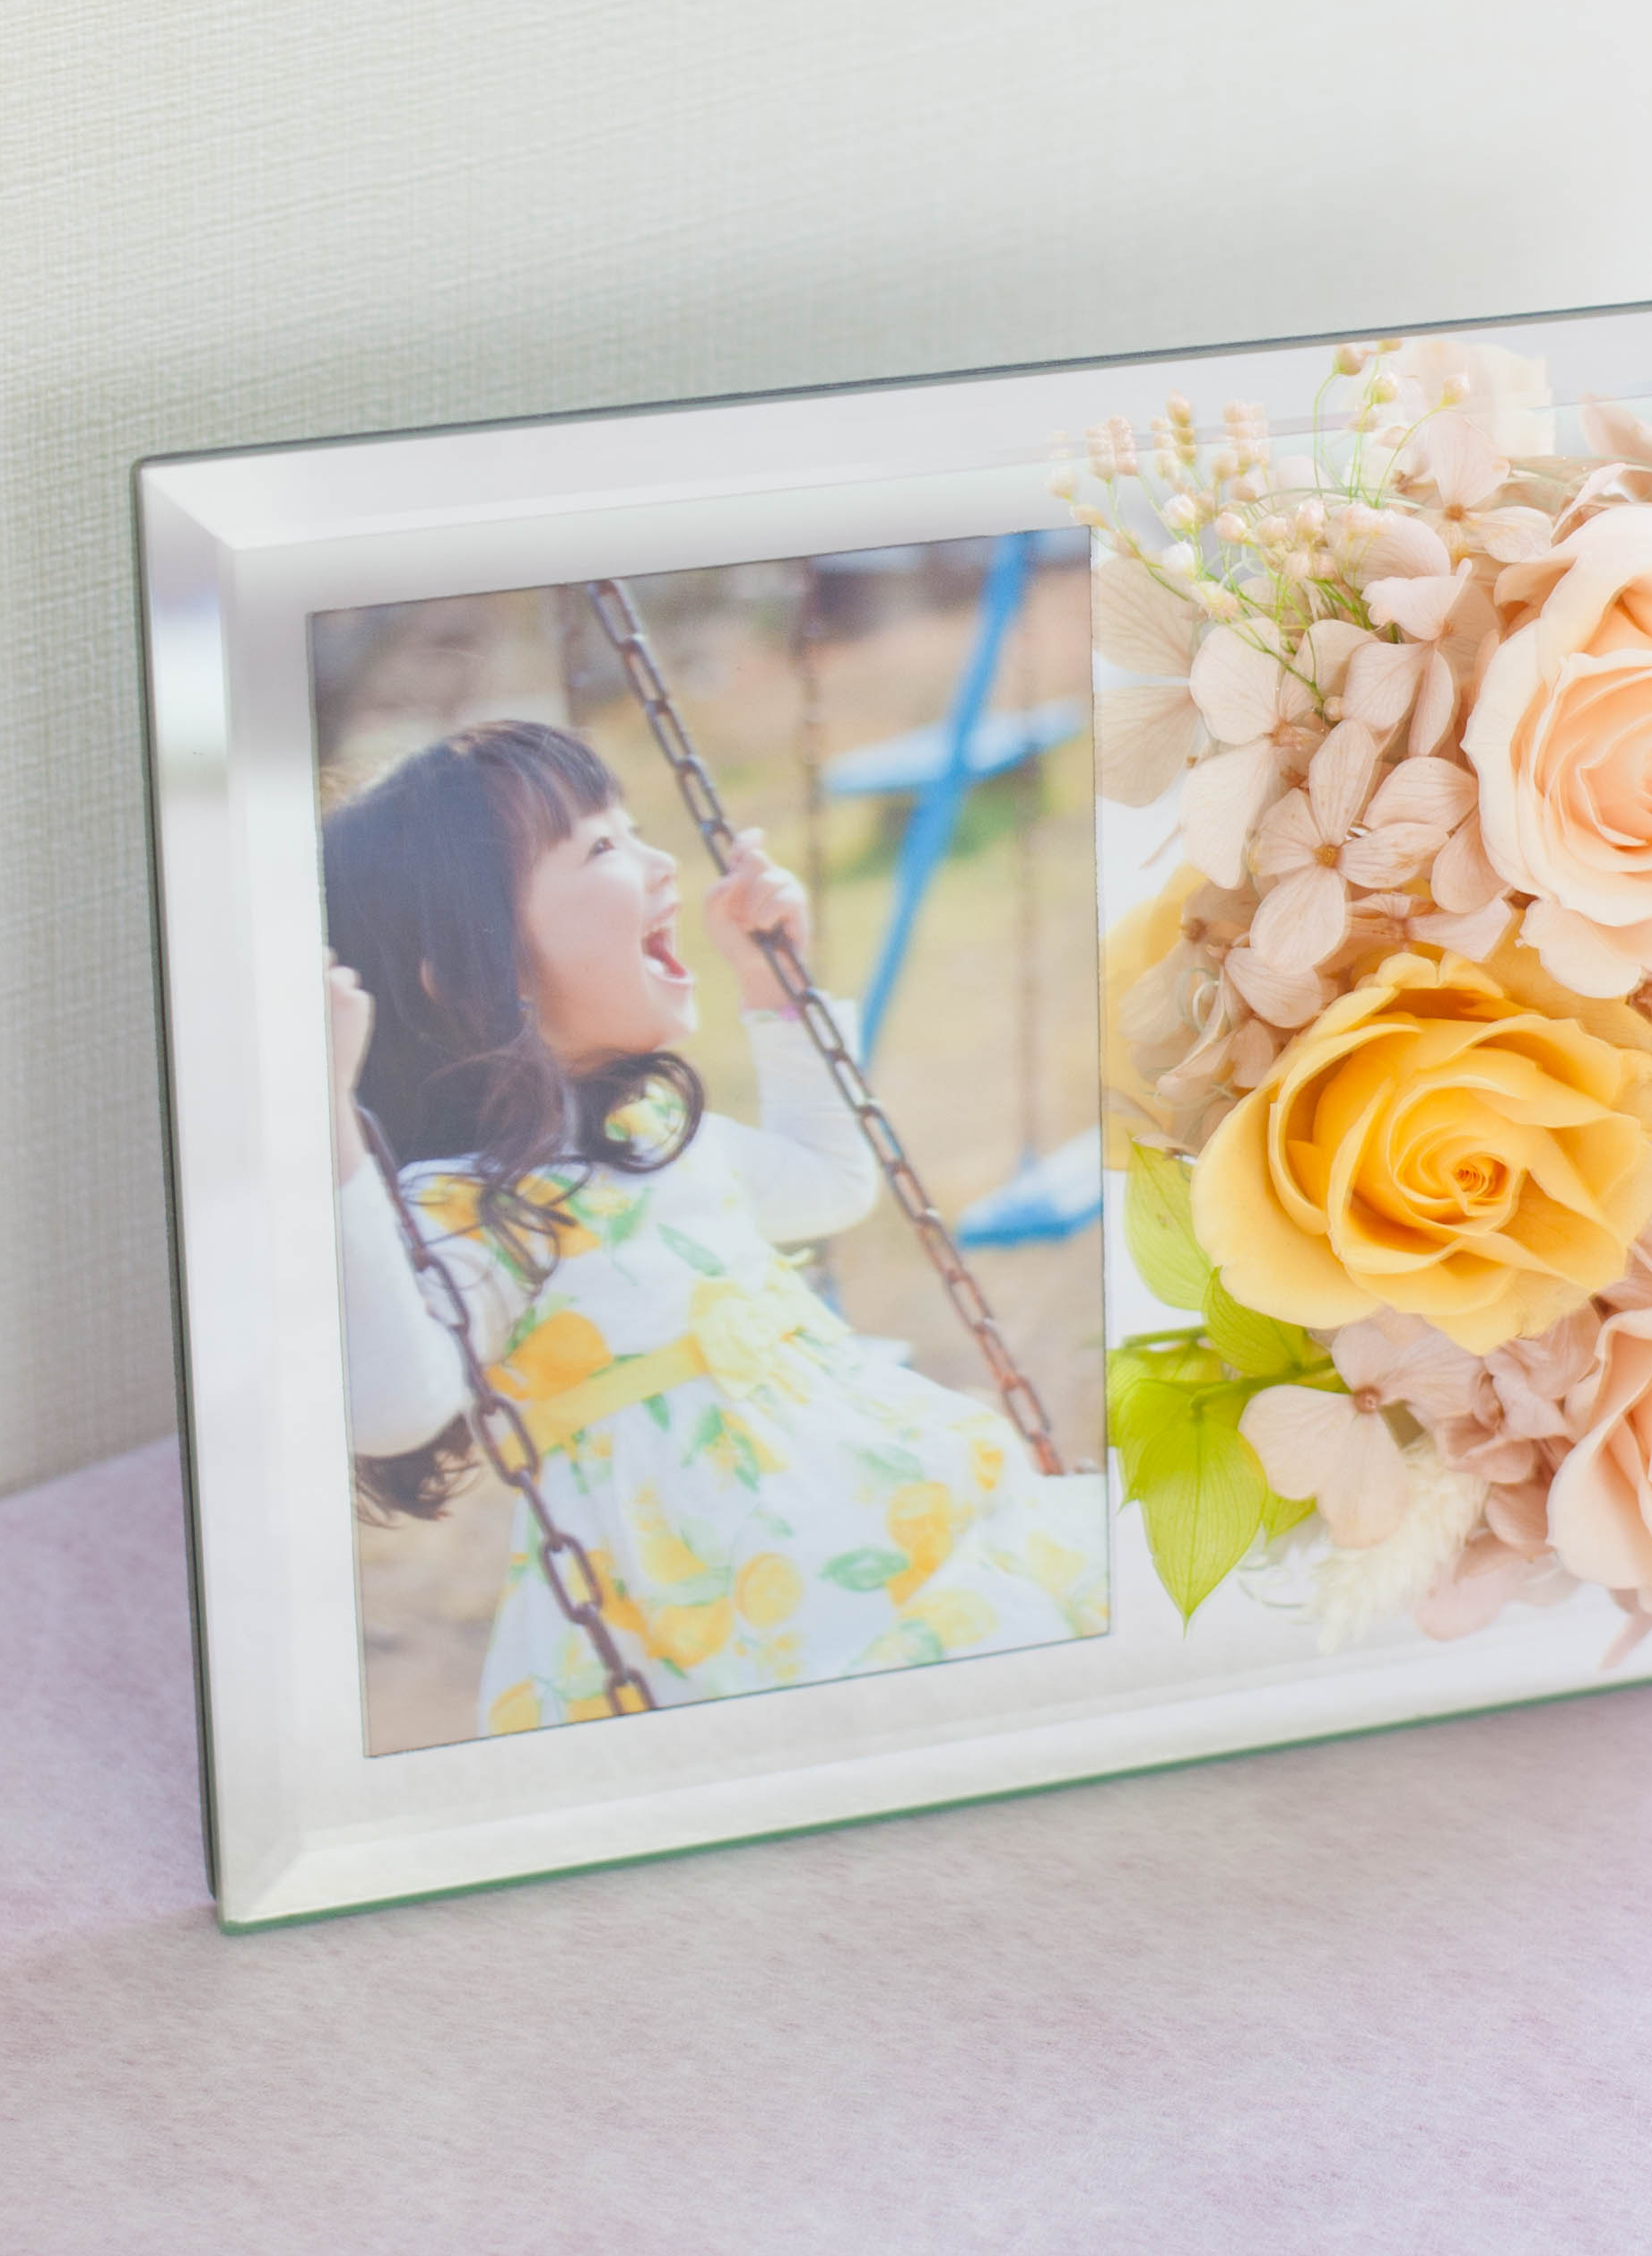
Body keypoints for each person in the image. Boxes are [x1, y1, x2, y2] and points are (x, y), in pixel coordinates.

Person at [323, 719, 1106, 1733]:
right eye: (601, 849)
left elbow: (829, 1183)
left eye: (633, 830)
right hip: (725, 1625)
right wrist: (328, 1131)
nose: (661, 866)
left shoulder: (651, 1135)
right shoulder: (480, 1212)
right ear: (474, 971)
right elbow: (396, 1406)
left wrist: (775, 987)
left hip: (881, 1519)